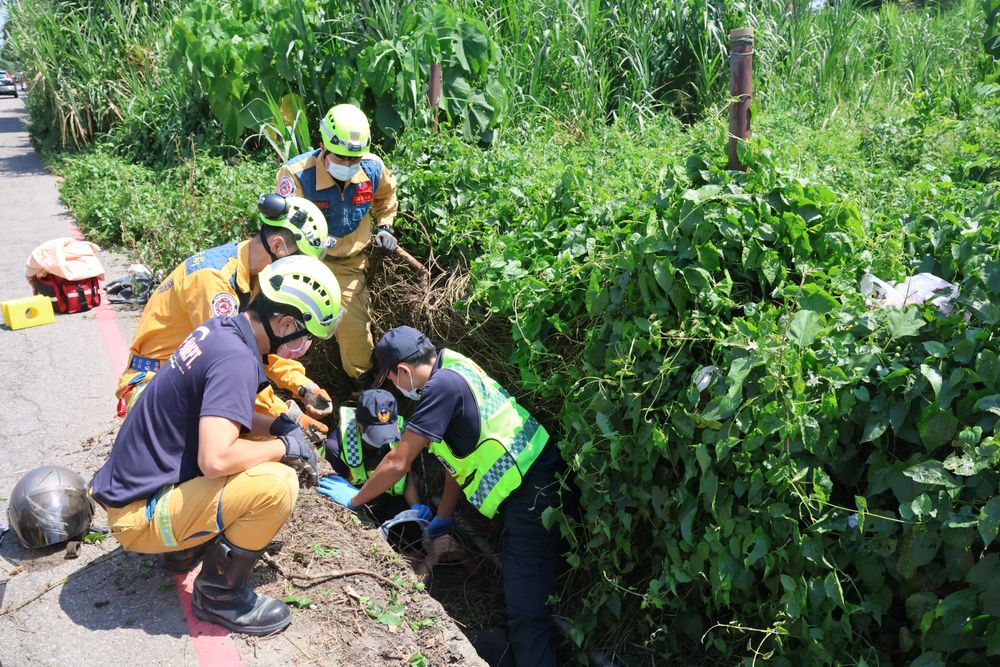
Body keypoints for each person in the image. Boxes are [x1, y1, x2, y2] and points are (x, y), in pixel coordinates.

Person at [90, 255, 342, 635]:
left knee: (262, 440)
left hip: (137, 491)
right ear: (286, 323)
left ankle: (184, 546)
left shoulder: (224, 330)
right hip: (137, 518)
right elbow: (215, 458)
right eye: (306, 336)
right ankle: (218, 596)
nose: (305, 345)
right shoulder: (237, 361)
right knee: (276, 485)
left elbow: (225, 411)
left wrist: (278, 426)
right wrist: (283, 447)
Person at [318, 326, 563, 666]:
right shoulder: (455, 365)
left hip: (532, 495)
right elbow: (456, 463)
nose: (398, 388)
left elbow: (398, 461)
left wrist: (355, 500)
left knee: (527, 615)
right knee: (524, 596)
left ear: (401, 371)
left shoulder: (440, 387)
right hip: (533, 486)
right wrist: (443, 518)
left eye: (391, 379)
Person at [116, 194, 337, 437]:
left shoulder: (254, 276)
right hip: (154, 382)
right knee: (240, 442)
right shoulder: (214, 281)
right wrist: (287, 416)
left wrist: (302, 385)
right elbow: (233, 363)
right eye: (299, 260)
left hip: (187, 375)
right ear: (276, 246)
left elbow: (256, 348)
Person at [275, 103, 399, 390]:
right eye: (341, 157)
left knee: (356, 333)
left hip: (349, 265)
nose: (347, 164)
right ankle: (281, 384)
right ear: (322, 146)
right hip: (303, 263)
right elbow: (282, 225)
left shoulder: (372, 168)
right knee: (285, 327)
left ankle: (363, 388)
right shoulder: (296, 175)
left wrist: (386, 226)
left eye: (353, 158)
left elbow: (386, 197)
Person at [318, 389, 426, 523]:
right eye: (376, 433)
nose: (383, 441)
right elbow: (339, 495)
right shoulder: (336, 447)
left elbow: (406, 475)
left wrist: (415, 506)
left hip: (387, 497)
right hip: (355, 497)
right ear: (359, 423)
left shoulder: (401, 432)